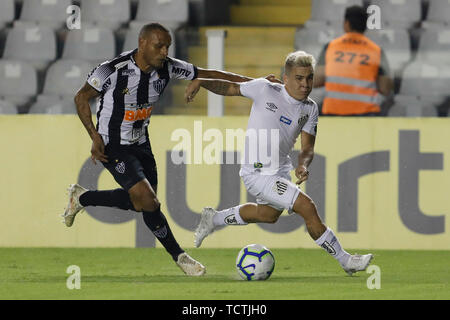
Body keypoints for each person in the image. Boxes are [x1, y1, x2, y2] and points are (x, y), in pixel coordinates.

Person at [62, 23, 278, 276]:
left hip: (141, 143)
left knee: (142, 203)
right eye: (159, 46)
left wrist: (258, 83)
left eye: (167, 47)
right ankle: (181, 257)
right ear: (142, 43)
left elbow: (210, 73)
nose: (164, 52)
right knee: (149, 200)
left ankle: (82, 197)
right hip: (113, 145)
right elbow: (80, 97)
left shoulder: (168, 67)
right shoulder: (111, 70)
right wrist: (94, 134)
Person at [185, 50, 373, 276]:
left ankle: (213, 218)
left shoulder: (310, 108)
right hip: (257, 173)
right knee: (307, 207)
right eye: (299, 78)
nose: (305, 84)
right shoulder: (266, 89)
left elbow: (307, 148)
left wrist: (303, 165)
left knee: (268, 215)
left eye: (310, 78)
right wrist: (203, 82)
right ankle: (346, 260)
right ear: (286, 79)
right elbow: (231, 86)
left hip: (279, 170)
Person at [313, 5, 393, 116]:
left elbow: (316, 80)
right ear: (365, 26)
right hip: (366, 115)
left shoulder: (330, 47)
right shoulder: (376, 51)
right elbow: (385, 88)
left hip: (334, 113)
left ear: (346, 24)